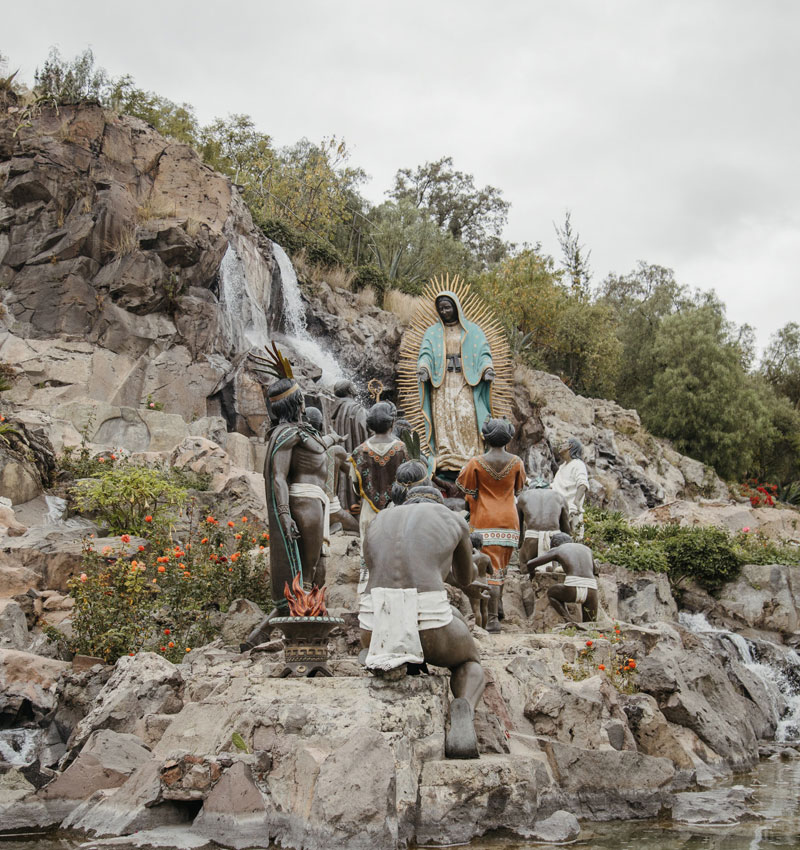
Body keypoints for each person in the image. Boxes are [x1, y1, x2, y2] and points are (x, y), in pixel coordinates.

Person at [359, 484, 485, 758]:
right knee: (469, 661)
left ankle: (389, 655)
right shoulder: (452, 519)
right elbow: (465, 578)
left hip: (374, 620)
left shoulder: (379, 519)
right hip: (429, 622)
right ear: (439, 502)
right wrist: (475, 565)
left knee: (440, 617)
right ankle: (463, 707)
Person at [243, 361, 337, 649]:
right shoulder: (287, 434)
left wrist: (334, 437)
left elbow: (322, 444)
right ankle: (299, 637)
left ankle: (303, 626)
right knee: (305, 573)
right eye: (301, 397)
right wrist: (284, 514)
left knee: (317, 568)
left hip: (315, 504)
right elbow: (278, 477)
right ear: (297, 402)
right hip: (304, 504)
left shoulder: (300, 431)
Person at [456, 418, 526, 633]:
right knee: (501, 568)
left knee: (489, 572)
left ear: (485, 437)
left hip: (484, 519)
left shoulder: (476, 462)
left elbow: (465, 488)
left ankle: (493, 619)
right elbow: (519, 489)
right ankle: (499, 607)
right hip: (509, 520)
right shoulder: (517, 462)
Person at [416, 291, 495, 477]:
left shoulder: (472, 331)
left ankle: (470, 455)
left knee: (466, 415)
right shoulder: (432, 332)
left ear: (456, 307)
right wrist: (424, 368)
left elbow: (483, 352)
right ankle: (446, 456)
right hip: (442, 383)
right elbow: (426, 353)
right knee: (443, 419)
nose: (444, 311)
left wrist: (486, 368)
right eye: (441, 309)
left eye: (447, 307)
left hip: (465, 380)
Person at [349, 402, 409, 592]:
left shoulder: (359, 451)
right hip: (396, 510)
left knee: (369, 547)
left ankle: (367, 585)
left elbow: (355, 486)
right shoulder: (402, 449)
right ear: (392, 422)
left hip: (368, 511)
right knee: (396, 547)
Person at [304, 407, 358, 534]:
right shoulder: (335, 451)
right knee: (359, 529)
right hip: (329, 509)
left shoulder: (295, 447)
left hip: (301, 505)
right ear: (321, 426)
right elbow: (356, 474)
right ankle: (336, 528)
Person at [526, 532, 599, 623]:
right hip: (592, 590)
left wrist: (532, 576)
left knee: (552, 593)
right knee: (590, 624)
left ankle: (568, 620)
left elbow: (530, 564)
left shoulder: (559, 549)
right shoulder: (587, 549)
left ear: (555, 545)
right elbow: (595, 570)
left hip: (572, 588)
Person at [330, 380, 368, 512]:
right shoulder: (357, 409)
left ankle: (344, 503)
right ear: (350, 390)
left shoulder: (333, 410)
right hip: (355, 451)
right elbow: (366, 430)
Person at [517, 477, 572, 566]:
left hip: (532, 541)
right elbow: (566, 529)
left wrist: (519, 546)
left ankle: (528, 570)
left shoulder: (523, 496)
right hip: (554, 542)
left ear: (531, 488)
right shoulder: (559, 496)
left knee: (524, 563)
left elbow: (518, 527)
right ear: (549, 488)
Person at [551, 437, 590, 540]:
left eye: (564, 443)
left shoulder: (578, 464)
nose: (560, 445)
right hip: (558, 511)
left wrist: (576, 502)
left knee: (572, 541)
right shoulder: (562, 467)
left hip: (571, 511)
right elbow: (555, 486)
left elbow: (582, 484)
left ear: (570, 446)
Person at [464, 533, 492, 629]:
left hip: (474, 583)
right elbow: (491, 572)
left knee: (476, 608)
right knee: (484, 609)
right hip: (484, 583)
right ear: (481, 544)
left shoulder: (469, 557)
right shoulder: (486, 557)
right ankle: (484, 630)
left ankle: (478, 630)